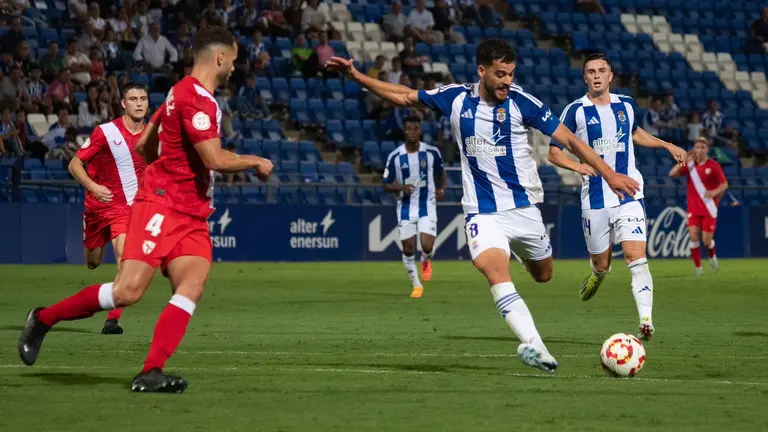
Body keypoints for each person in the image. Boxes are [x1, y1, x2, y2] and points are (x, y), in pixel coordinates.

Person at [326, 38, 639, 373]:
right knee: (495, 271)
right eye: (501, 74)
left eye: (512, 73)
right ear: (482, 71)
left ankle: (518, 255)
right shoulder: (456, 97)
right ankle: (535, 346)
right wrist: (357, 76)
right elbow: (404, 96)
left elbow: (572, 140)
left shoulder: (524, 103)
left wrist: (609, 174)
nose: (508, 81)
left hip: (523, 209)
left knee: (544, 275)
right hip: (482, 212)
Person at [18, 27, 274, 393]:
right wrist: (256, 162)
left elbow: (145, 145)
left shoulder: (177, 91)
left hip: (193, 214)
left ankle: (151, 371)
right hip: (163, 207)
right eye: (232, 60)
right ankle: (42, 319)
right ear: (219, 58)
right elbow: (214, 158)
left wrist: (167, 164)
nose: (234, 67)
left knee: (192, 286)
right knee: (127, 292)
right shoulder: (198, 99)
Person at [548, 53, 686, 341]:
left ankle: (646, 320)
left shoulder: (626, 104)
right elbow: (554, 151)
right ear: (584, 77)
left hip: (629, 193)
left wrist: (666, 144)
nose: (596, 75)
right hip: (595, 199)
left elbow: (635, 134)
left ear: (611, 76)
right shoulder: (575, 111)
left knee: (637, 257)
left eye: (602, 70)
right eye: (591, 71)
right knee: (601, 263)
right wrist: (577, 165)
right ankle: (598, 275)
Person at [67, 82, 150, 335]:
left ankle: (112, 319)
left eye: (143, 98)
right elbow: (74, 165)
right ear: (123, 103)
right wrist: (93, 187)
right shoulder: (106, 132)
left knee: (126, 260)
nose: (139, 103)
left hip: (126, 209)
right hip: (98, 204)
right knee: (92, 262)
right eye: (133, 99)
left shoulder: (153, 136)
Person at [382, 116, 445, 298]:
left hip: (427, 204)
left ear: (420, 131)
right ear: (404, 131)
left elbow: (441, 172)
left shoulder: (432, 152)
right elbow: (385, 185)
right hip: (405, 207)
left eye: (415, 128)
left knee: (426, 245)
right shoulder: (395, 156)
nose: (412, 132)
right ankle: (416, 285)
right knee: (408, 249)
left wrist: (441, 189)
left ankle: (426, 259)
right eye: (408, 129)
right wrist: (402, 187)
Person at [669, 137, 728, 276]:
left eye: (702, 147)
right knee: (693, 237)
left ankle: (712, 257)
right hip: (693, 208)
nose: (699, 150)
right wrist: (684, 160)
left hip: (709, 208)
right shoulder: (690, 165)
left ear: (707, 149)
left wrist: (713, 192)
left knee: (706, 241)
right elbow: (672, 173)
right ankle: (698, 268)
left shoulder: (713, 165)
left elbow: (724, 184)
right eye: (697, 147)